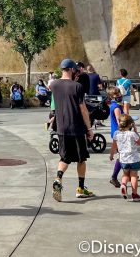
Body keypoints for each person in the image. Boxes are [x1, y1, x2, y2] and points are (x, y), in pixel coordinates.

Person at [49, 59, 94, 202]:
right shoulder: (77, 86)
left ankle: (58, 178)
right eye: (75, 70)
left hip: (61, 128)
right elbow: (83, 109)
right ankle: (80, 189)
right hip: (76, 127)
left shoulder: (53, 85)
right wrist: (89, 128)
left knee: (65, 158)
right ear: (71, 70)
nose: (77, 73)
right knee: (81, 159)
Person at [109, 115, 140, 201]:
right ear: (130, 124)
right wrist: (136, 132)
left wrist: (111, 155)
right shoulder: (132, 134)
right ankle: (134, 195)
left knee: (125, 174)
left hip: (123, 159)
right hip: (134, 159)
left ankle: (123, 184)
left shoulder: (116, 134)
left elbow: (114, 146)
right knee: (134, 176)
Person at [107, 87, 124, 187]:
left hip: (116, 132)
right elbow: (119, 120)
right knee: (122, 156)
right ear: (111, 96)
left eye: (119, 93)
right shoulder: (116, 107)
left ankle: (128, 173)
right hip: (119, 133)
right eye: (116, 94)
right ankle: (114, 177)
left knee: (123, 155)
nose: (119, 95)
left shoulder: (114, 105)